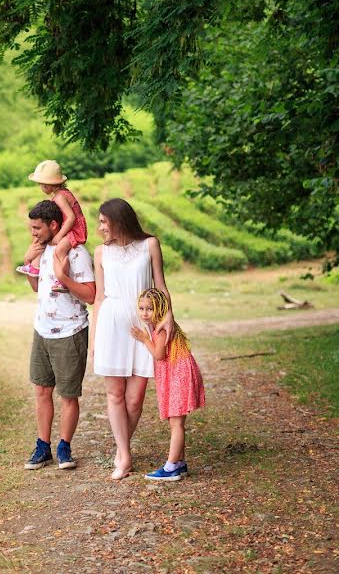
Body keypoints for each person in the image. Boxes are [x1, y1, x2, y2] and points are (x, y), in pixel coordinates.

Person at [90, 198, 175, 480]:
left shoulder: (149, 245)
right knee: (114, 393)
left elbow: (160, 285)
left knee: (135, 398)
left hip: (144, 325)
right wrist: (94, 337)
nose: (100, 227)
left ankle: (121, 448)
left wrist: (168, 316)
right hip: (111, 325)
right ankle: (124, 455)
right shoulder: (100, 252)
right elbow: (99, 297)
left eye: (104, 221)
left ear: (119, 220)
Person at [20, 199, 96, 470]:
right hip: (42, 330)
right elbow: (35, 287)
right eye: (31, 228)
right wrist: (29, 260)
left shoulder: (76, 253)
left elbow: (90, 295)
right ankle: (43, 447)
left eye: (37, 228)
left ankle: (64, 446)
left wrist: (64, 278)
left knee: (68, 395)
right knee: (42, 390)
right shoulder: (41, 250)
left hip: (70, 331)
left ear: (54, 225)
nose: (33, 233)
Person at [130, 288, 205, 481]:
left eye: (150, 309)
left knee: (176, 422)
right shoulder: (159, 325)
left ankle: (171, 466)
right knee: (176, 422)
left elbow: (159, 354)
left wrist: (144, 338)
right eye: (142, 308)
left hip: (179, 374)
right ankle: (179, 463)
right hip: (176, 374)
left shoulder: (162, 329)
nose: (145, 313)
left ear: (161, 308)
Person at [16, 160, 88, 292]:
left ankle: (61, 279)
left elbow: (71, 218)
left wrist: (59, 235)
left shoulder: (60, 197)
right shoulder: (59, 195)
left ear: (48, 185)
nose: (40, 187)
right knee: (40, 242)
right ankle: (33, 267)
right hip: (68, 228)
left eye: (41, 184)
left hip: (74, 230)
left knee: (59, 250)